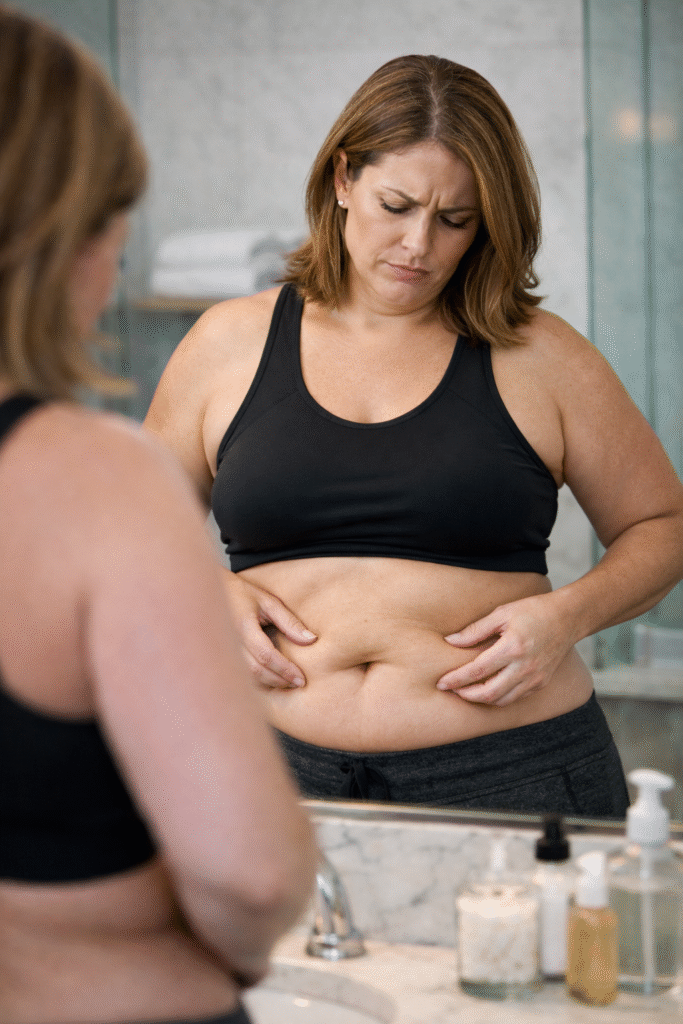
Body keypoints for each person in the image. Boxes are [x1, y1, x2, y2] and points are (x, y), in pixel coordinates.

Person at [145, 55, 683, 816]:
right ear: (342, 179)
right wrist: (204, 591)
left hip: (514, 771)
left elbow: (662, 526)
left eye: (454, 220)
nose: (418, 245)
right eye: (395, 206)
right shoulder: (226, 342)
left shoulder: (544, 355)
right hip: (263, 768)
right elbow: (130, 532)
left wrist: (567, 618)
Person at [0, 9, 316, 1024]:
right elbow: (250, 873)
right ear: (63, 235)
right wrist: (239, 951)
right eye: (114, 230)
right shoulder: (94, 483)